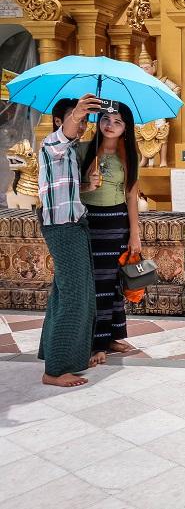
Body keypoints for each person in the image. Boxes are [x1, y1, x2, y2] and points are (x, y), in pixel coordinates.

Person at [36, 94, 101, 387]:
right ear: (60, 121)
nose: (83, 125)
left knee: (71, 293)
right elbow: (65, 135)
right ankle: (55, 370)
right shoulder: (53, 144)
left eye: (87, 120)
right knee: (74, 295)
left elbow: (62, 192)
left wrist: (87, 185)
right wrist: (77, 114)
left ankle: (70, 357)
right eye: (78, 119)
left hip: (73, 224)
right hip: (61, 228)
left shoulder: (70, 151)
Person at [78, 100, 141, 366]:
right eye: (105, 119)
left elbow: (131, 195)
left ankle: (114, 336)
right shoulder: (84, 151)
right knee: (99, 284)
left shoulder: (129, 156)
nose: (110, 125)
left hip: (118, 222)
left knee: (115, 281)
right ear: (98, 122)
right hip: (91, 221)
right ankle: (97, 344)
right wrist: (86, 185)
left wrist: (134, 234)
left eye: (117, 122)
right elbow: (72, 190)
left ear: (126, 127)